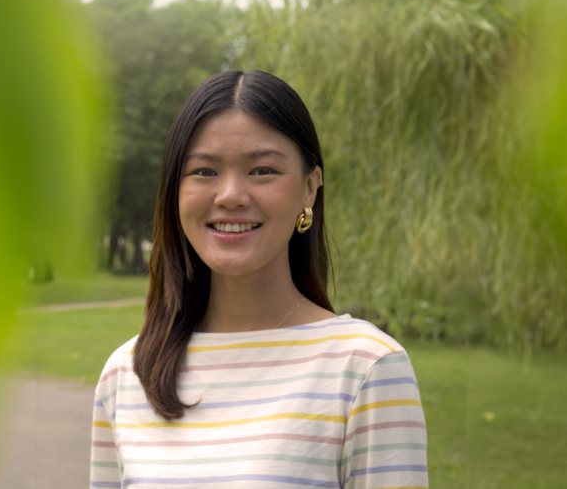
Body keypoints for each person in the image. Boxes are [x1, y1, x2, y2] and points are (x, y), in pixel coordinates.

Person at [90, 70, 428, 489]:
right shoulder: (127, 373)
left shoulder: (366, 367)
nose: (230, 195)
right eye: (204, 172)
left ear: (309, 188)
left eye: (263, 170)